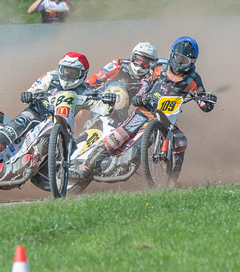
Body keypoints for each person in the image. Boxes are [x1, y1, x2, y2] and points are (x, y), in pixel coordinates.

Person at [72, 37, 217, 186]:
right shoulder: (160, 67)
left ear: (192, 62)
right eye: (179, 58)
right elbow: (146, 82)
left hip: (167, 120)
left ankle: (172, 181)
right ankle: (86, 168)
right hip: (143, 111)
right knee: (117, 137)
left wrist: (208, 99)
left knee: (181, 142)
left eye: (185, 60)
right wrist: (140, 96)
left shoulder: (194, 79)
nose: (180, 63)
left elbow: (204, 104)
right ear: (173, 55)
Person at [0, 52, 115, 188]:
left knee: (70, 144)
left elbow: (104, 109)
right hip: (35, 114)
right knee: (8, 132)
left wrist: (110, 101)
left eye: (72, 72)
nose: (67, 74)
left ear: (82, 74)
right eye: (65, 70)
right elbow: (33, 90)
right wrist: (28, 95)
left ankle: (46, 176)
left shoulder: (86, 91)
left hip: (60, 123)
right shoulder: (51, 76)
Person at [88, 42, 158, 93]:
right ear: (132, 57)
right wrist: (86, 86)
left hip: (137, 105)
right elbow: (98, 78)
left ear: (151, 64)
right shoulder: (119, 64)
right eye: (138, 60)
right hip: (108, 98)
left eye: (145, 62)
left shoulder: (154, 73)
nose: (140, 65)